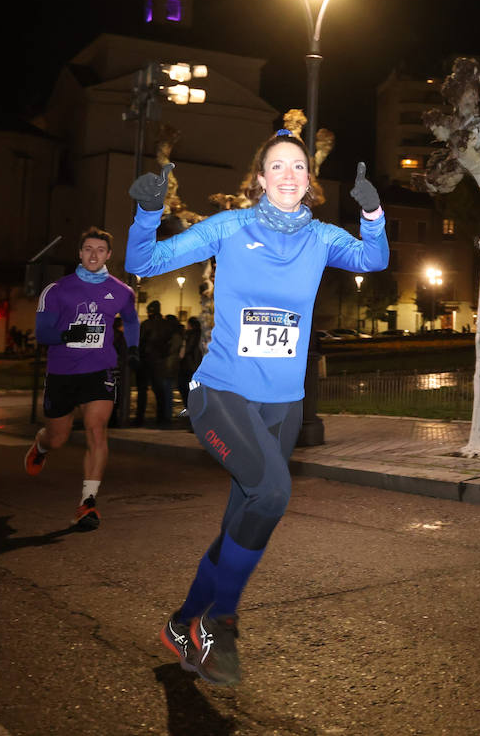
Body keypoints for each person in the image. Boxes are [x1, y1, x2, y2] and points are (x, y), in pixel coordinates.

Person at [126, 132, 387, 686]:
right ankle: (220, 624)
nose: (290, 174)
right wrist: (149, 211)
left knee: (241, 524)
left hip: (283, 406)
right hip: (220, 393)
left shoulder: (319, 236)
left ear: (308, 181)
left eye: (299, 165)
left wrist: (372, 210)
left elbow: (374, 256)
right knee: (271, 493)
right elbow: (141, 259)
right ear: (261, 179)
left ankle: (181, 623)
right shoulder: (230, 226)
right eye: (278, 166)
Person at [27, 227, 139, 530]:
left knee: (96, 429)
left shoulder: (121, 291)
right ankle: (41, 445)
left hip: (99, 369)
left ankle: (87, 503)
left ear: (109, 255)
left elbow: (130, 320)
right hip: (62, 372)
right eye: (88, 248)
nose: (93, 255)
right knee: (58, 437)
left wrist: (134, 349)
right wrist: (67, 334)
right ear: (79, 253)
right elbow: (43, 332)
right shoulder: (57, 289)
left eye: (100, 250)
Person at [137, 300, 182, 426]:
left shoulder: (146, 324)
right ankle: (161, 418)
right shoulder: (166, 325)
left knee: (143, 390)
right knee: (159, 392)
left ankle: (140, 418)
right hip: (159, 361)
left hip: (147, 360)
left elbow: (141, 341)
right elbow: (170, 342)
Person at [178, 315, 203, 395]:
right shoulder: (203, 335)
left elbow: (187, 349)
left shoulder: (189, 335)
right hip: (198, 365)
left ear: (190, 325)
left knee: (185, 387)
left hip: (188, 365)